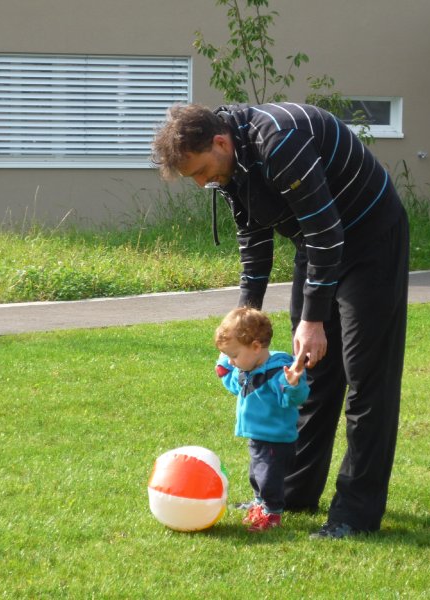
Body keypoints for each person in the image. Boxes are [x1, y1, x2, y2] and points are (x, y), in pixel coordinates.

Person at [152, 102, 409, 539]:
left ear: (220, 142)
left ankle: (356, 514)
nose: (200, 182)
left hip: (370, 238)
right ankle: (292, 491)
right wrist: (244, 320)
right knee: (307, 369)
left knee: (367, 378)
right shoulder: (231, 166)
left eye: (201, 171)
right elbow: (254, 238)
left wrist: (313, 319)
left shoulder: (280, 141)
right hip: (318, 243)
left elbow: (327, 231)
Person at [214, 306, 309, 532]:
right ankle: (260, 503)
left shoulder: (278, 372)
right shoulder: (249, 367)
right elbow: (237, 387)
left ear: (256, 347)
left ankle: (272, 512)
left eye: (234, 356)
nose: (232, 361)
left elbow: (293, 399)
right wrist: (224, 369)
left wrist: (293, 384)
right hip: (258, 436)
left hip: (276, 440)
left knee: (268, 479)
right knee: (256, 475)